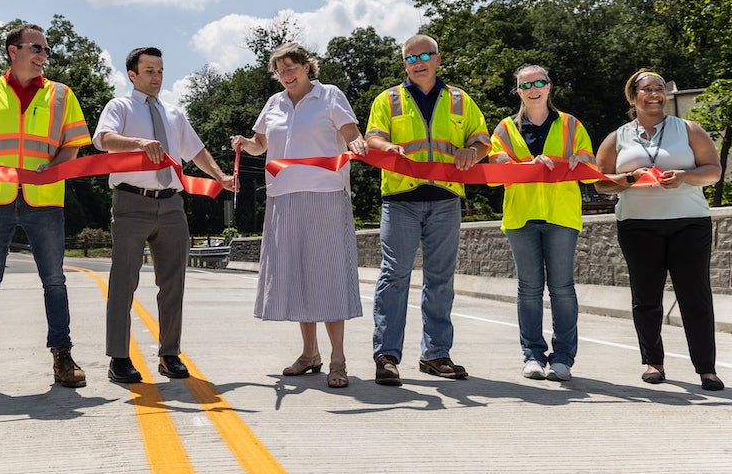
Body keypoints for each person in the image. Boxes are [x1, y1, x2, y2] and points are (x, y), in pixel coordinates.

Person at [0, 23, 93, 396]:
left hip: (43, 202)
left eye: (45, 50)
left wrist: (54, 166)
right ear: (13, 51)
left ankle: (63, 356)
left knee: (55, 281)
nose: (43, 55)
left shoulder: (62, 95)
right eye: (37, 48)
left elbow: (72, 146)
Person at [94, 46, 235, 384]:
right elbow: (103, 140)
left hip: (172, 205)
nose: (156, 77)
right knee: (124, 283)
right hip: (132, 203)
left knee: (173, 284)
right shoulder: (120, 107)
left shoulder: (174, 114)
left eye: (160, 70)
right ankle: (119, 358)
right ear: (133, 75)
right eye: (149, 71)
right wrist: (139, 143)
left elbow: (196, 150)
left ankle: (169, 355)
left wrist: (220, 176)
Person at [230, 42, 366, 388]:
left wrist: (357, 142)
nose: (286, 74)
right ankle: (310, 354)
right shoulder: (273, 103)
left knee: (328, 275)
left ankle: (338, 358)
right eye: (280, 70)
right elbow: (261, 144)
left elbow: (350, 131)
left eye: (292, 67)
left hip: (326, 194)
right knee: (302, 275)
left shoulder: (330, 95)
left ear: (308, 67)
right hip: (283, 195)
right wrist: (246, 143)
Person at [365, 34, 490, 385]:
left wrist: (474, 152)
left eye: (425, 55)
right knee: (394, 277)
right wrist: (386, 145)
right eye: (410, 57)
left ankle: (436, 354)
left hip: (445, 199)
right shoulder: (387, 99)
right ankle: (386, 356)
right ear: (404, 63)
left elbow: (482, 140)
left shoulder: (460, 100)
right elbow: (372, 137)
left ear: (437, 59)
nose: (418, 62)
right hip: (400, 200)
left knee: (440, 280)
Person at [593, 68, 725, 391]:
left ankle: (706, 369)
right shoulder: (618, 137)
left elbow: (713, 171)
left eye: (659, 88)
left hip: (689, 223)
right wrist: (627, 180)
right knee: (646, 297)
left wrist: (684, 177)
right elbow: (599, 182)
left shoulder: (689, 129)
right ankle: (654, 362)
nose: (655, 94)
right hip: (638, 227)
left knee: (695, 296)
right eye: (647, 89)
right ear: (633, 96)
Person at [488, 64, 595, 381]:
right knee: (529, 290)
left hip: (561, 215)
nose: (533, 89)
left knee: (562, 289)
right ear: (517, 91)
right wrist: (525, 164)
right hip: (521, 216)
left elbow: (590, 163)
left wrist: (581, 161)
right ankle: (533, 356)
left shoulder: (571, 125)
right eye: (525, 85)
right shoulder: (505, 129)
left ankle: (562, 358)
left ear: (550, 86)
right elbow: (496, 167)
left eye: (539, 83)